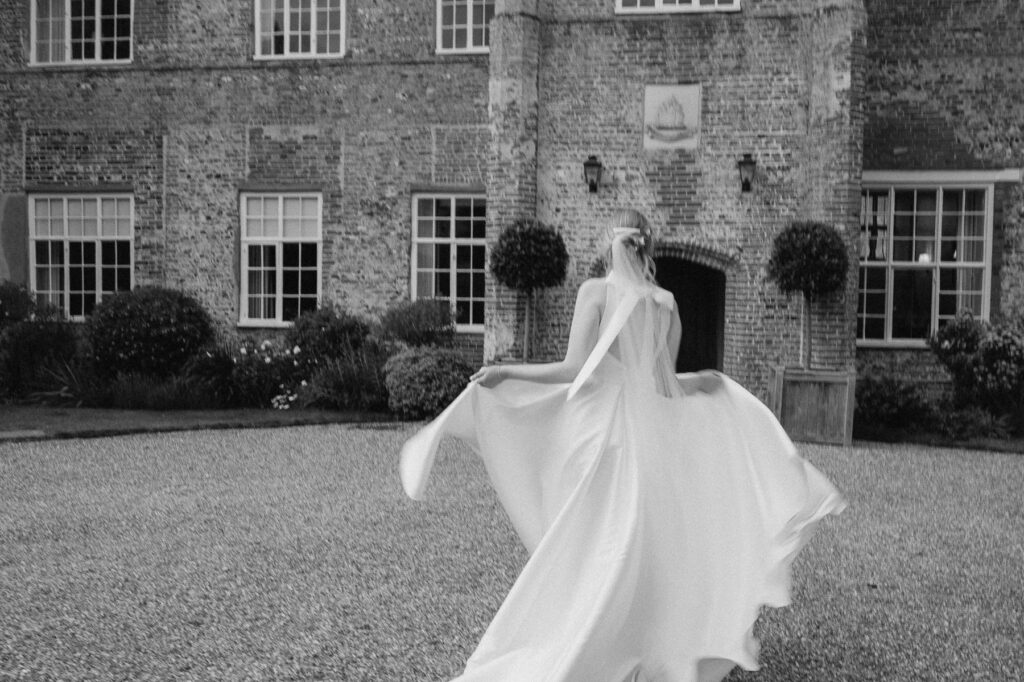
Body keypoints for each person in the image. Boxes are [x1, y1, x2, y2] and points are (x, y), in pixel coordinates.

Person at [400, 209, 847, 682]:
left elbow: (573, 369)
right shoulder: (667, 303)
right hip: (646, 438)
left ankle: (589, 640)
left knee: (593, 539)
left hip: (599, 435)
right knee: (636, 541)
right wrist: (709, 385)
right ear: (646, 248)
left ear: (611, 243)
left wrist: (506, 371)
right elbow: (665, 386)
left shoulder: (596, 292)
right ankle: (635, 643)